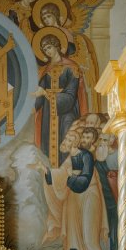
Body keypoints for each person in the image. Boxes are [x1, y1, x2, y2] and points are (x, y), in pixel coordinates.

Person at [37, 129, 109, 250]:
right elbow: (61, 174)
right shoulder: (71, 158)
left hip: (89, 197)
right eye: (67, 140)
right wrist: (48, 172)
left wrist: (69, 178)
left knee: (89, 240)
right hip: (73, 200)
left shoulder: (86, 156)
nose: (66, 142)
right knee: (72, 241)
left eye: (69, 140)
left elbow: (84, 180)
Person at [32, 32, 87, 166]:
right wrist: (34, 104)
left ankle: (67, 172)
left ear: (56, 46)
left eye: (49, 47)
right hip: (48, 114)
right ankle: (49, 173)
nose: (48, 51)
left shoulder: (71, 67)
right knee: (46, 141)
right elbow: (39, 93)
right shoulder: (45, 70)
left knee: (66, 138)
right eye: (45, 50)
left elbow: (71, 95)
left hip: (66, 112)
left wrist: (46, 93)